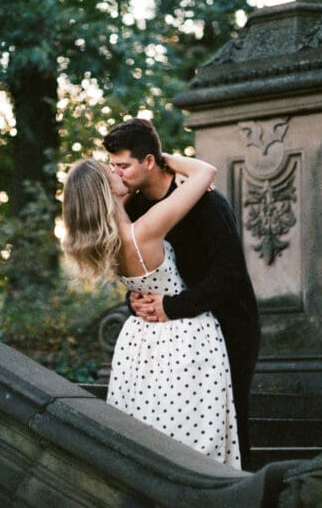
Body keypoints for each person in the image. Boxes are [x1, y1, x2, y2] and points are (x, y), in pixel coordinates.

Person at [62, 153, 242, 468]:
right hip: (182, 337)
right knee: (193, 442)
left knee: (148, 437)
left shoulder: (108, 243)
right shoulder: (144, 230)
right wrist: (161, 160)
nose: (120, 172)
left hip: (138, 343)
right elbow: (206, 170)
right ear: (108, 190)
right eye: (112, 171)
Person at [103, 118, 260, 468]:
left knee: (229, 421)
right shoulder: (136, 207)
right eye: (112, 166)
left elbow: (230, 276)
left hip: (231, 323)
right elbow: (143, 269)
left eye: (124, 165)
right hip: (174, 336)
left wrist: (171, 306)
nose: (117, 175)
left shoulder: (206, 204)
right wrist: (137, 300)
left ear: (148, 161)